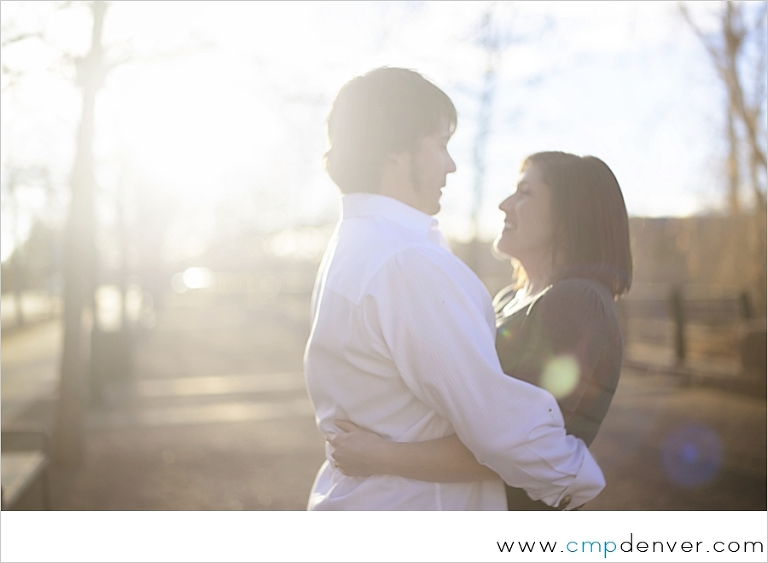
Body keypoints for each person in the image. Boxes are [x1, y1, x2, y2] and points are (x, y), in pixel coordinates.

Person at [304, 67, 605, 511]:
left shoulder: (355, 245)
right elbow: (494, 423)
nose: (451, 163)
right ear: (393, 151)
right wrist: (577, 477)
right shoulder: (407, 262)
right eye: (441, 144)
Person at [328, 151, 633, 510]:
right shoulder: (508, 299)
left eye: (525, 193)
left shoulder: (577, 302)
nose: (505, 205)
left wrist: (382, 457)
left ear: (571, 214)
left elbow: (518, 446)